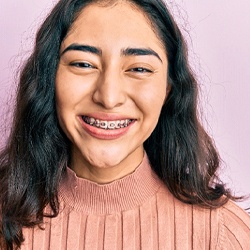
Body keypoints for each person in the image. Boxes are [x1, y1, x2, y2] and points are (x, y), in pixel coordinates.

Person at [0, 0, 250, 249]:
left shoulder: (221, 233)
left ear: (167, 90)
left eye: (139, 68)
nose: (108, 97)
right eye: (83, 64)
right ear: (49, 79)